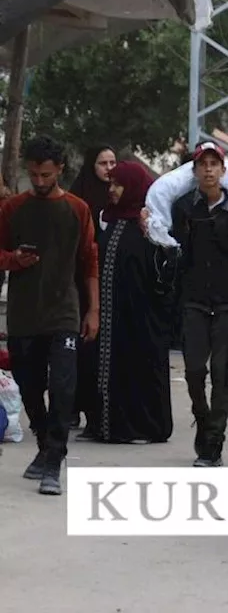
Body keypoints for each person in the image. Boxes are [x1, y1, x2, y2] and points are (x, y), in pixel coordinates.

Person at [0, 136, 100, 495]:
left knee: (63, 386)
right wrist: (15, 260)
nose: (39, 181)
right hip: (25, 312)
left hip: (65, 311)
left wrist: (93, 310)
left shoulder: (78, 209)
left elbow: (90, 262)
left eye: (45, 174)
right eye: (33, 175)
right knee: (28, 387)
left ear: (59, 169)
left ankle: (54, 461)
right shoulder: (13, 208)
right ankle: (44, 443)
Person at [170, 142, 228, 466]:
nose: (208, 170)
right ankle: (203, 416)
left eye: (214, 164)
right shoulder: (183, 208)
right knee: (195, 371)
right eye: (202, 164)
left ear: (224, 171)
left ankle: (213, 445)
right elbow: (175, 252)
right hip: (194, 300)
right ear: (194, 171)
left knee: (222, 374)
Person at [80, 160, 174, 444]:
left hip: (141, 318)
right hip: (112, 317)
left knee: (139, 368)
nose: (112, 190)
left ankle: (142, 427)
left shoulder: (149, 223)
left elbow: (166, 271)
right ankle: (106, 425)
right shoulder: (110, 219)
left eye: (118, 184)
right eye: (111, 183)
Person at [68, 144, 116, 434]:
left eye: (113, 162)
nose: (109, 168)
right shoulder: (79, 199)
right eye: (103, 163)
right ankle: (72, 407)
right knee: (76, 348)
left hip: (109, 284)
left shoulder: (119, 198)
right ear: (91, 166)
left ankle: (97, 411)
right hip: (80, 281)